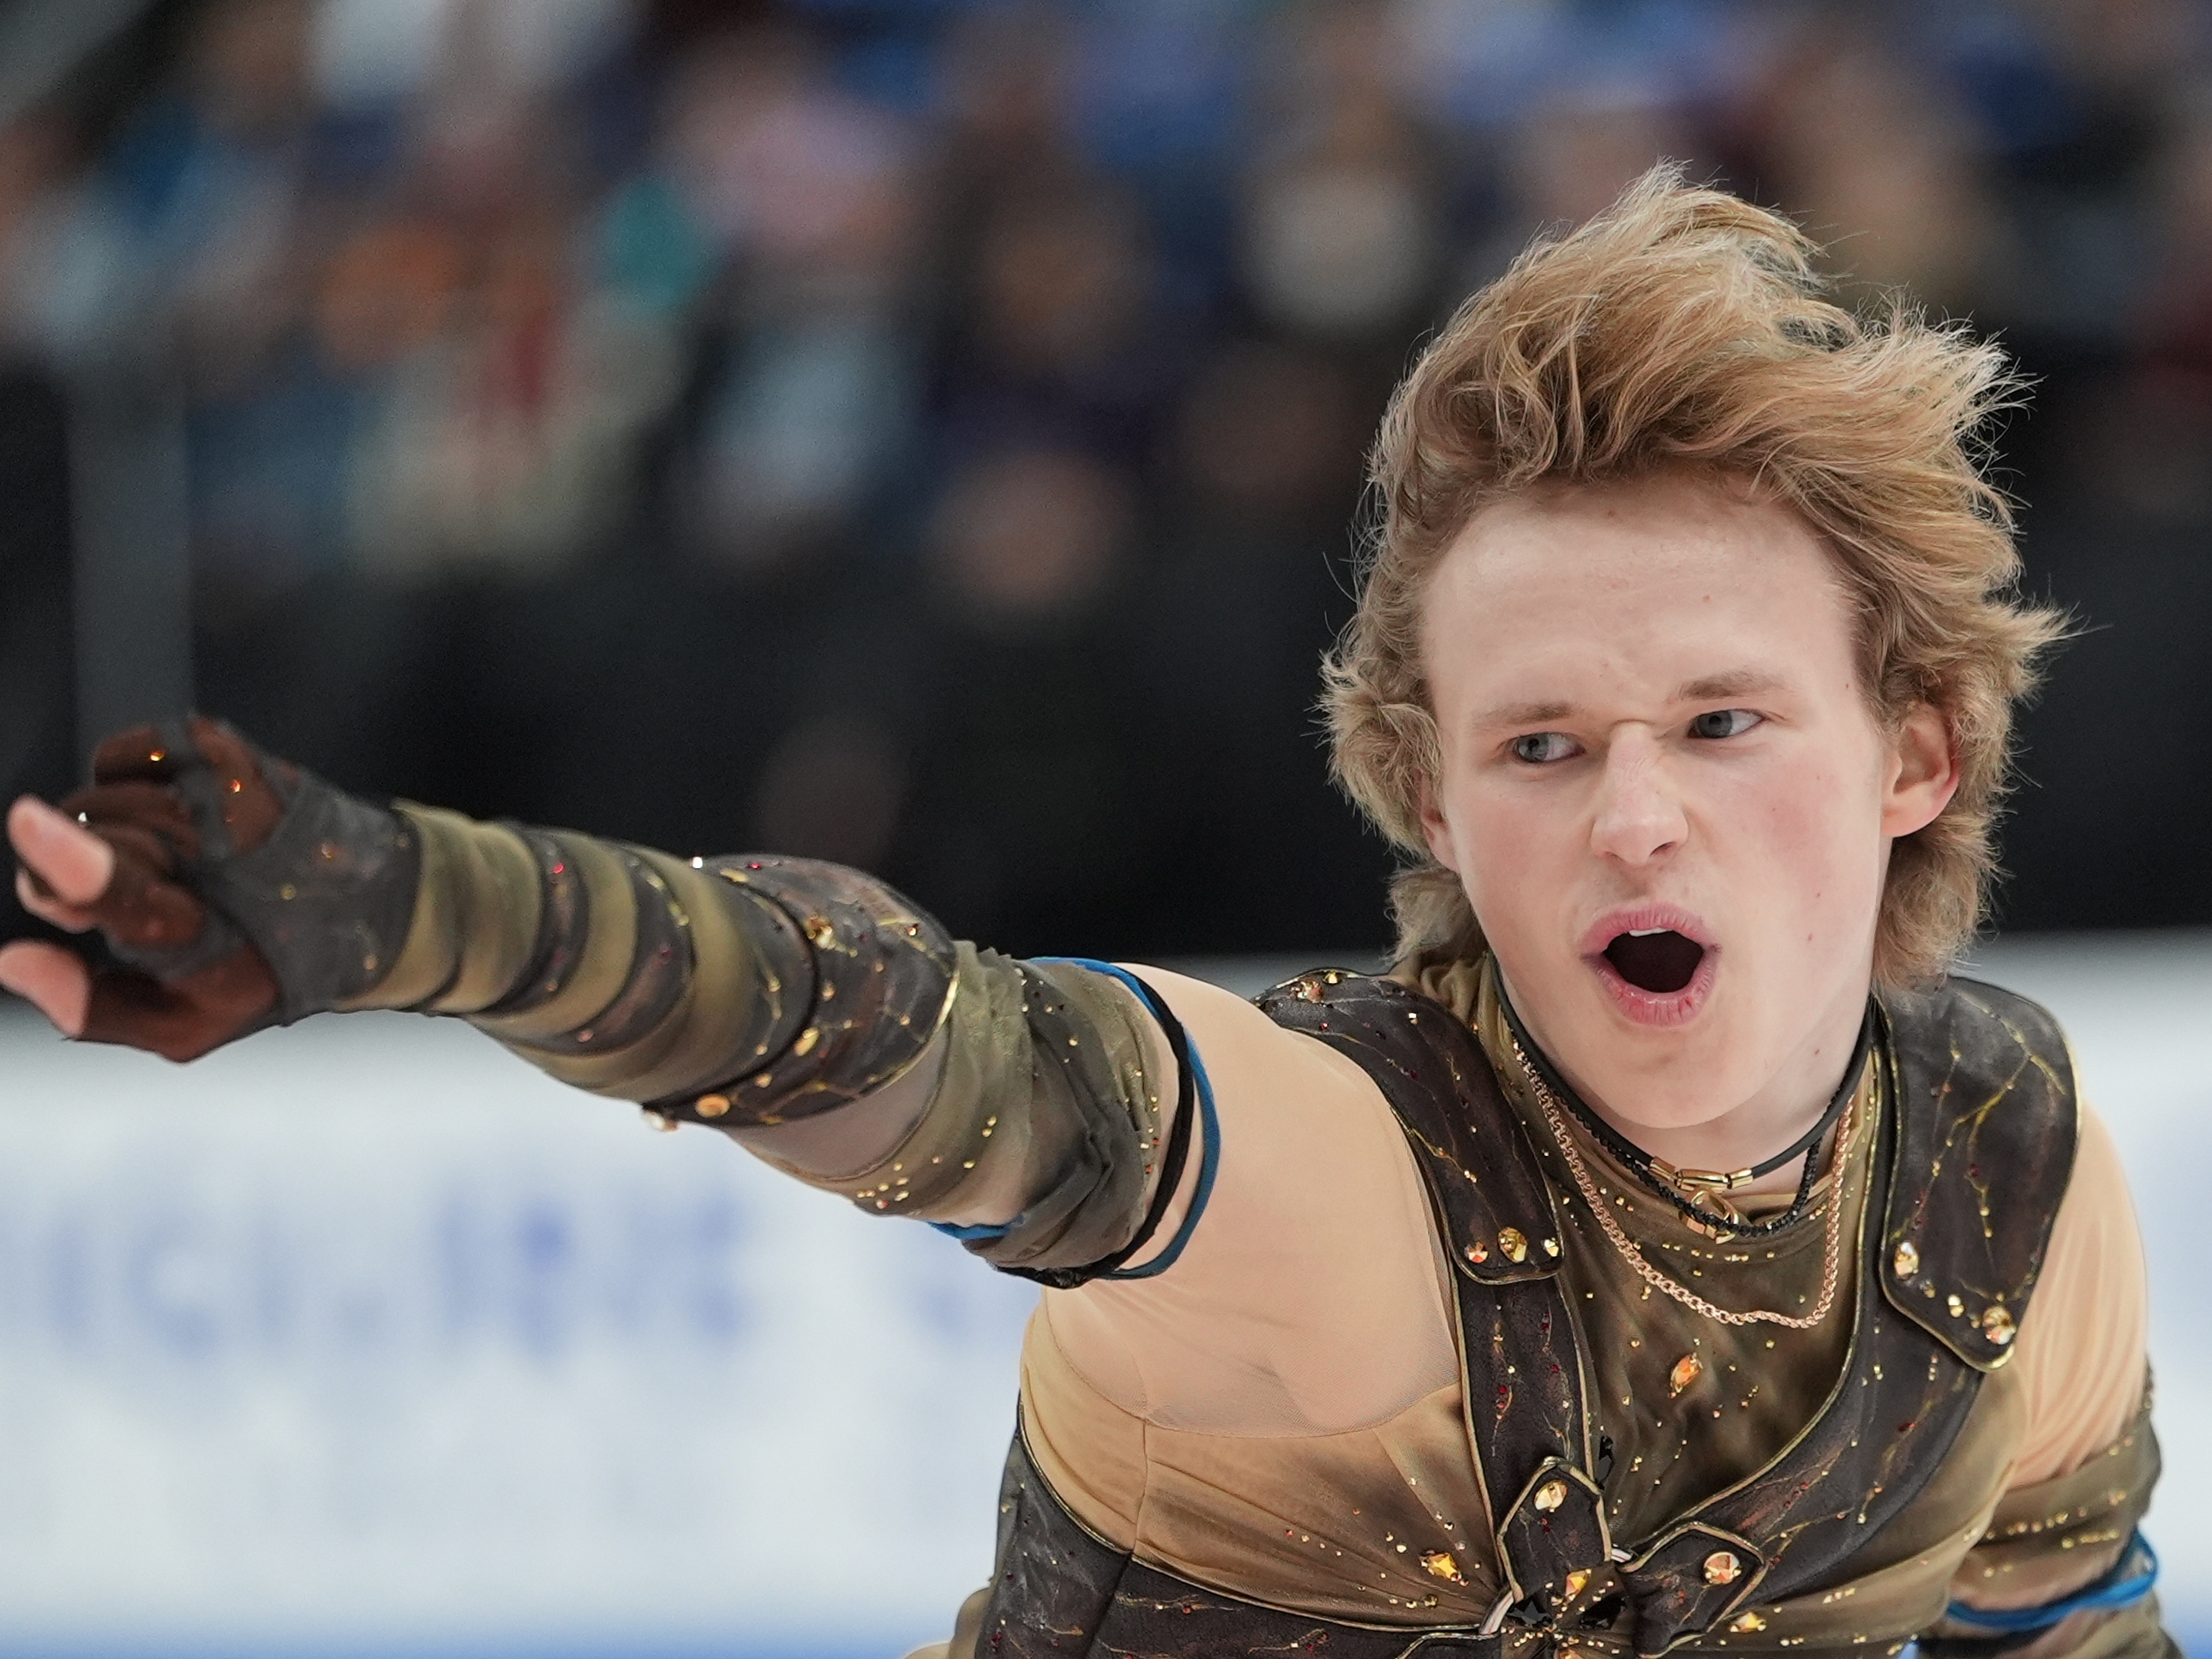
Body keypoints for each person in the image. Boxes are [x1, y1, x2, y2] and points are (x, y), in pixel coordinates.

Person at [0, 169, 2171, 1657]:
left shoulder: (2003, 1170)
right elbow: (892, 1029)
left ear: (1917, 756)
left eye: (1718, 720)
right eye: (1540, 745)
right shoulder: (1349, 1174)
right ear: (1430, 793)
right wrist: (406, 906)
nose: (1632, 818)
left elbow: (2067, 1613)